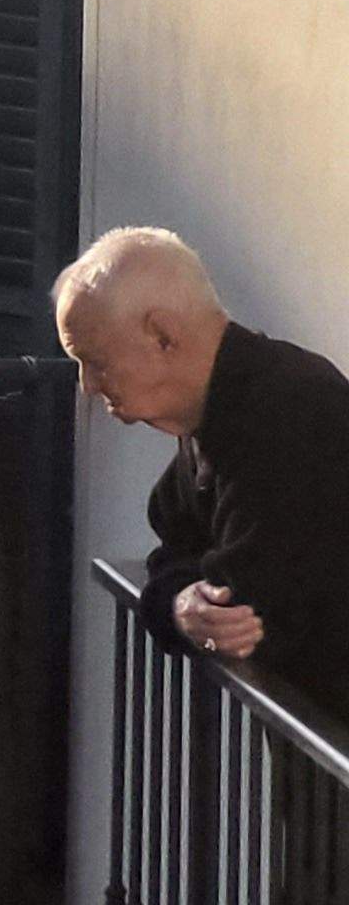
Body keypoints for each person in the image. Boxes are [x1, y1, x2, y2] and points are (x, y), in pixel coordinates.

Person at [56, 227, 349, 709]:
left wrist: (181, 602)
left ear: (163, 335)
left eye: (97, 362)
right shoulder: (226, 407)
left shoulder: (287, 414)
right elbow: (176, 541)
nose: (88, 386)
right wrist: (176, 602)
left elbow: (241, 612)